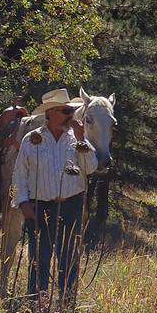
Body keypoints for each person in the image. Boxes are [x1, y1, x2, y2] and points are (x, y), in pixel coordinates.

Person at [12, 88, 98, 302]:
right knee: (38, 259)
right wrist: (22, 203)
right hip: (39, 207)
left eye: (70, 110)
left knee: (68, 259)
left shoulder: (76, 138)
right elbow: (19, 175)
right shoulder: (31, 140)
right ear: (50, 114)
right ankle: (36, 303)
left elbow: (90, 168)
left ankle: (67, 302)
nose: (70, 115)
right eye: (64, 111)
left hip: (71, 206)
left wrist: (81, 140)